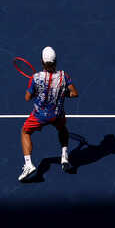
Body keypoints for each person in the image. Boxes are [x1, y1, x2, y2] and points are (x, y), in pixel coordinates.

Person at [18, 46, 78, 181]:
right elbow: (74, 93)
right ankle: (64, 156)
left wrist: (36, 92)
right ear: (56, 61)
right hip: (57, 114)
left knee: (25, 132)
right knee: (62, 128)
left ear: (42, 62)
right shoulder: (64, 76)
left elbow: (27, 98)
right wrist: (62, 92)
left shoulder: (36, 78)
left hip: (39, 116)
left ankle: (28, 164)